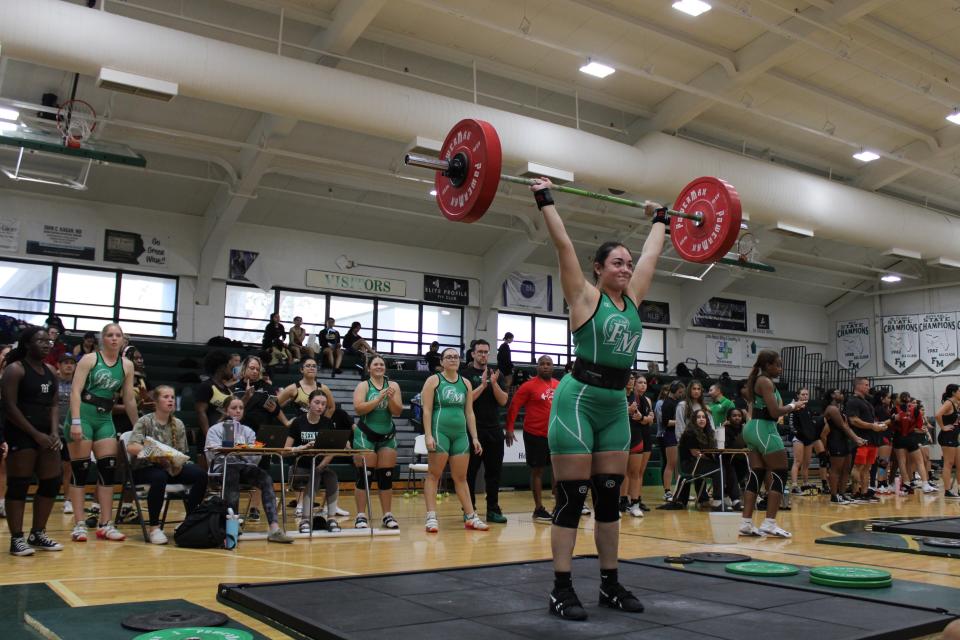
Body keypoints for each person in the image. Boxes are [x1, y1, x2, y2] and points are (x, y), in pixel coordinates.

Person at [531, 177, 663, 620]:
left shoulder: (634, 300)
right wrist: (544, 198)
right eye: (617, 263)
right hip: (577, 400)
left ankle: (610, 584)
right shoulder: (585, 297)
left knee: (610, 499)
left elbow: (652, 257)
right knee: (571, 498)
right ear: (599, 268)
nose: (626, 268)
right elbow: (563, 245)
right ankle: (561, 589)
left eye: (628, 263)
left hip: (614, 405)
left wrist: (661, 219)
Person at [66, 322, 138, 543]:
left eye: (118, 335)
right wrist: (76, 421)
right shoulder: (90, 359)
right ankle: (79, 524)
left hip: (104, 417)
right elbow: (75, 391)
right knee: (81, 469)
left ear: (123, 340)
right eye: (110, 335)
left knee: (108, 470)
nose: (114, 339)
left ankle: (106, 524)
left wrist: (139, 427)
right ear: (103, 339)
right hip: (83, 415)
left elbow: (128, 398)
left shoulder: (126, 365)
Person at [3, 326, 63, 556]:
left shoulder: (50, 370)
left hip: (46, 434)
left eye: (49, 341)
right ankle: (16, 539)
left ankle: (38, 533)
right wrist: (34, 434)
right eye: (41, 341)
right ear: (27, 344)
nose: (47, 344)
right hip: (21, 433)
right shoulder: (15, 370)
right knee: (19, 484)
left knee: (51, 481)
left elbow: (55, 404)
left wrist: (54, 432)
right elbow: (9, 407)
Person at [205, 397, 293, 543]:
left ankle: (274, 528)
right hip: (221, 470)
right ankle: (233, 525)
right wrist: (237, 452)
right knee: (232, 471)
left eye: (241, 407)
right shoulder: (215, 429)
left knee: (265, 477)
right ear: (226, 410)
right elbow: (211, 454)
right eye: (234, 408)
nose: (238, 410)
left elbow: (254, 459)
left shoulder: (248, 431)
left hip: (244, 468)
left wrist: (247, 452)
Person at [127, 386, 207, 544]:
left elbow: (181, 453)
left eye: (172, 396)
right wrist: (156, 452)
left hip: (170, 468)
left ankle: (190, 520)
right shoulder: (145, 421)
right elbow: (132, 447)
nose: (170, 399)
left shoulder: (178, 424)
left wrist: (175, 460)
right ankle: (154, 527)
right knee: (159, 476)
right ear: (156, 402)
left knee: (200, 474)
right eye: (165, 397)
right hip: (144, 469)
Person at [420, 347, 487, 533]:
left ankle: (471, 516)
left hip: (460, 436)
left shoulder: (465, 383)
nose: (453, 359)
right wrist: (428, 435)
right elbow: (426, 410)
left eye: (456, 357)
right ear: (441, 362)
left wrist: (474, 437)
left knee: (461, 478)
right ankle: (431, 517)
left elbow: (469, 412)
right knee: (434, 475)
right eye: (448, 357)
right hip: (439, 433)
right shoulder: (433, 381)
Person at [739, 349, 804, 538]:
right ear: (768, 365)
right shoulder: (765, 381)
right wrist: (794, 406)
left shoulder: (759, 380)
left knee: (757, 474)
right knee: (780, 472)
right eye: (778, 365)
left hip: (753, 429)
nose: (781, 369)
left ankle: (745, 523)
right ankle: (769, 523)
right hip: (764, 429)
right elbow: (775, 412)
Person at [231, 355, 290, 522]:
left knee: (262, 469)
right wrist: (247, 397)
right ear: (244, 369)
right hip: (241, 435)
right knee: (240, 468)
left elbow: (276, 409)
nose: (255, 371)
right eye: (252, 368)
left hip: (262, 435)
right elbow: (233, 410)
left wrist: (281, 418)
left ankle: (255, 508)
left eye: (258, 369)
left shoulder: (266, 388)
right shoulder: (236, 388)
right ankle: (232, 508)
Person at [505, 355, 558, 522]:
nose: (545, 367)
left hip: (555, 434)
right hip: (535, 434)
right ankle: (538, 508)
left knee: (558, 470)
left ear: (553, 367)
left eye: (548, 364)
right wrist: (510, 428)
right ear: (537, 367)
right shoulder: (528, 386)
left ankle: (558, 506)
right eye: (542, 364)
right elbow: (514, 406)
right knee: (538, 470)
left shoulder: (559, 385)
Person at [351, 355, 402, 530]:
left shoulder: (393, 386)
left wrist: (390, 399)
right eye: (375, 364)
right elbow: (358, 408)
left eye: (382, 364)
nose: (379, 366)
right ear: (369, 368)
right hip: (365, 435)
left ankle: (387, 515)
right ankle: (360, 515)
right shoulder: (363, 386)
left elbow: (397, 411)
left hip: (387, 435)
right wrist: (378, 399)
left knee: (386, 477)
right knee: (365, 477)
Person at [463, 338, 509, 524]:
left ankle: (493, 509)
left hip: (494, 430)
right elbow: (467, 400)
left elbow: (503, 401)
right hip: (473, 431)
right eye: (479, 351)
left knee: (494, 473)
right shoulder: (464, 374)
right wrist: (482, 385)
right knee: (470, 473)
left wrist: (494, 383)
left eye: (486, 352)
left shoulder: (496, 374)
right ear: (473, 353)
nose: (483, 355)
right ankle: (469, 510)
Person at [285, 390, 342, 533]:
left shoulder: (327, 423)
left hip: (320, 467)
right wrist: (302, 448)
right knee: (314, 474)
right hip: (300, 467)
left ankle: (331, 518)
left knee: (332, 476)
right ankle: (305, 519)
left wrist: (323, 464)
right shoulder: (298, 422)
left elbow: (333, 449)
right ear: (309, 403)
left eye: (323, 404)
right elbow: (284, 450)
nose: (320, 406)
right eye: (317, 402)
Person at [845, 378, 898, 499]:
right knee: (858, 466)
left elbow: (870, 420)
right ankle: (855, 492)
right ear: (858, 386)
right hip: (861, 439)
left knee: (867, 467)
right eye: (866, 385)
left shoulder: (867, 402)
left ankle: (864, 492)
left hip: (872, 439)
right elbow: (853, 420)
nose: (868, 387)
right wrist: (872, 426)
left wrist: (878, 425)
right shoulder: (853, 401)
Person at [677, 409, 741, 509]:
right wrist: (712, 456)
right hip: (690, 464)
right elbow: (696, 453)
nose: (701, 419)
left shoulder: (708, 433)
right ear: (694, 420)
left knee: (728, 466)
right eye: (698, 417)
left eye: (703, 417)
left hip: (701, 462)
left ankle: (735, 499)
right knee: (718, 468)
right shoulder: (689, 433)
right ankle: (717, 500)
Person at [821, 388, 864, 505]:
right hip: (835, 441)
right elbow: (843, 427)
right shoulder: (832, 409)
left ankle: (842, 493)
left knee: (846, 469)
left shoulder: (840, 409)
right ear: (832, 395)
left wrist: (856, 438)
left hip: (844, 441)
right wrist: (856, 439)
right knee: (835, 470)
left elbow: (847, 427)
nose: (842, 394)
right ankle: (834, 496)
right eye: (838, 393)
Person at [786, 388, 828, 494]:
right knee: (797, 461)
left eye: (807, 394)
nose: (805, 396)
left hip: (808, 439)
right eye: (803, 394)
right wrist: (797, 434)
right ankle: (795, 485)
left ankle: (805, 483)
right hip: (799, 438)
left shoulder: (808, 409)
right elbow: (791, 424)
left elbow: (810, 425)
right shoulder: (794, 407)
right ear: (798, 396)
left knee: (806, 463)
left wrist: (811, 435)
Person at [623, 373, 653, 516]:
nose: (630, 380)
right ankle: (621, 503)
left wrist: (642, 417)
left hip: (636, 436)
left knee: (635, 472)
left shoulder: (641, 399)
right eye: (628, 378)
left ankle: (635, 504)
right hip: (619, 438)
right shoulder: (616, 395)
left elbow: (648, 418)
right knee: (621, 473)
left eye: (632, 378)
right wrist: (626, 410)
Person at [893, 393, 929, 496]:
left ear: (900, 399)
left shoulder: (895, 409)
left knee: (902, 462)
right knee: (920, 462)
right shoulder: (915, 410)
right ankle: (925, 484)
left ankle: (906, 484)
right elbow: (919, 425)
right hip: (911, 438)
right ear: (909, 399)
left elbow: (891, 424)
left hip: (899, 438)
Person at [194, 350, 234, 439]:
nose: (232, 371)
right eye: (230, 368)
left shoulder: (228, 390)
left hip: (226, 436)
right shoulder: (206, 386)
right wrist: (209, 437)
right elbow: (200, 412)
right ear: (222, 368)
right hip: (210, 439)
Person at [55, 353, 76, 514]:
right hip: (52, 431)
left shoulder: (78, 384)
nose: (69, 366)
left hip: (69, 431)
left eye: (71, 363)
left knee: (68, 467)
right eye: (66, 362)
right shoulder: (52, 382)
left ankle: (67, 499)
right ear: (59, 365)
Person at [658, 381, 685, 502]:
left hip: (677, 435)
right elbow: (665, 422)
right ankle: (667, 492)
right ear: (673, 390)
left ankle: (680, 491)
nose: (681, 394)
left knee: (678, 466)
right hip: (670, 435)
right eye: (679, 392)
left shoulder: (676, 402)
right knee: (671, 464)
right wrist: (681, 422)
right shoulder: (667, 403)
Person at [935, 384, 959, 498]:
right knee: (948, 464)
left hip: (954, 436)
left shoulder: (957, 404)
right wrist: (943, 427)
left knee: (957, 464)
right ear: (954, 392)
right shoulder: (949, 403)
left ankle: (957, 488)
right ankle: (947, 490)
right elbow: (937, 414)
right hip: (947, 436)